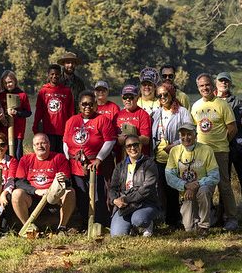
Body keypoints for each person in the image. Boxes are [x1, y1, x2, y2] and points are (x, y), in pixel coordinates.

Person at [191, 73, 238, 231]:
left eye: (207, 85)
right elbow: (193, 130)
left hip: (220, 151)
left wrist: (223, 141)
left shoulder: (222, 104)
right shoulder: (196, 106)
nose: (205, 88)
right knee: (204, 186)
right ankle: (207, 217)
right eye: (201, 86)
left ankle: (231, 218)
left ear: (212, 85)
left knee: (224, 185)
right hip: (202, 153)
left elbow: (232, 128)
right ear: (198, 88)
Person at [63, 91, 116, 227]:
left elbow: (110, 141)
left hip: (94, 165)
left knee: (97, 195)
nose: (87, 107)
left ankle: (100, 223)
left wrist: (99, 158)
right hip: (76, 166)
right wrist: (68, 158)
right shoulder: (72, 120)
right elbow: (65, 142)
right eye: (84, 104)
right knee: (81, 195)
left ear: (95, 105)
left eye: (90, 104)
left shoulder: (102, 120)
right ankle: (85, 223)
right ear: (79, 105)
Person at [10, 133, 76, 232]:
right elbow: (19, 182)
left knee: (70, 192)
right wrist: (36, 191)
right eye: (37, 144)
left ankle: (62, 227)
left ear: (49, 144)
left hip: (54, 198)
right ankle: (28, 227)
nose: (40, 146)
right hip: (32, 198)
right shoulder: (26, 159)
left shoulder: (59, 158)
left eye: (43, 143)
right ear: (33, 146)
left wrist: (60, 180)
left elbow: (67, 181)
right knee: (16, 194)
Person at [165, 123, 220, 235]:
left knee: (204, 190)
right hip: (185, 191)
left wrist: (196, 184)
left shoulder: (206, 150)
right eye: (183, 135)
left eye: (189, 134)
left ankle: (204, 225)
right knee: (189, 228)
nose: (186, 138)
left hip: (201, 188)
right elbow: (169, 176)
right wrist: (185, 185)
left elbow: (215, 176)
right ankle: (200, 217)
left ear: (196, 135)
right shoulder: (174, 151)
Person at [151, 82, 191, 227]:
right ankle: (167, 219)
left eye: (165, 94)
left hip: (177, 157)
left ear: (172, 94)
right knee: (163, 189)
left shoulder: (182, 112)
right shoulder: (156, 113)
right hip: (159, 157)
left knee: (175, 188)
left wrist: (174, 144)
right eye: (159, 95)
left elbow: (190, 132)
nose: (162, 97)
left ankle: (178, 220)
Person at [109, 135, 159, 237]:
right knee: (117, 235)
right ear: (125, 149)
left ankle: (147, 224)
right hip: (125, 207)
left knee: (139, 220)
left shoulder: (149, 164)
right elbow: (113, 188)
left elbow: (147, 189)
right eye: (129, 146)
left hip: (145, 203)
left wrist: (126, 199)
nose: (132, 148)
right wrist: (115, 200)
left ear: (140, 146)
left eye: (135, 144)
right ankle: (132, 227)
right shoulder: (120, 166)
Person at [32, 64, 74, 153]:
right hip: (48, 130)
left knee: (61, 156)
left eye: (57, 74)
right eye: (52, 74)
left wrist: (71, 128)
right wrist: (35, 126)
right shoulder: (43, 91)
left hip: (63, 131)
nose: (54, 76)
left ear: (60, 75)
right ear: (48, 75)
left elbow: (71, 112)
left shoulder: (66, 91)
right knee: (50, 154)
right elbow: (39, 111)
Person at [214, 72, 242, 193]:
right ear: (216, 83)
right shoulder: (211, 102)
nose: (223, 83)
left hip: (237, 146)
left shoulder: (238, 102)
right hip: (220, 147)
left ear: (230, 83)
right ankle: (222, 208)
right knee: (223, 181)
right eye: (221, 80)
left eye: (226, 81)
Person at [0, 70, 32, 158]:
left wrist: (17, 112)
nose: (8, 85)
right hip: (4, 130)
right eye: (5, 83)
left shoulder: (22, 95)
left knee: (17, 154)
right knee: (5, 154)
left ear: (15, 81)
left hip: (18, 131)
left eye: (10, 82)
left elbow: (28, 112)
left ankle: (19, 170)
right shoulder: (0, 96)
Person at [115, 85, 152, 159]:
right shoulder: (117, 115)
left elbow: (146, 139)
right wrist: (117, 139)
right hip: (121, 159)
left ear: (137, 98)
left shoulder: (143, 115)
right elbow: (112, 137)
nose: (128, 100)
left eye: (131, 97)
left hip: (139, 158)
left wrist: (127, 139)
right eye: (125, 97)